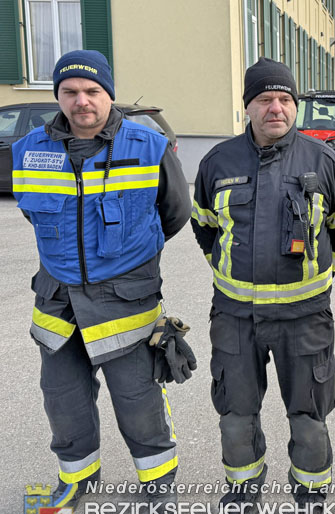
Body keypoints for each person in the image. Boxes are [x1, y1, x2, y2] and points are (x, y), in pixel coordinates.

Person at [11, 50, 191, 511]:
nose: (81, 101)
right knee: (63, 402)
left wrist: (126, 256)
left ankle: (157, 488)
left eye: (92, 91)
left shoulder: (148, 147)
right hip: (58, 303)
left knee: (139, 402)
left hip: (125, 301)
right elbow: (33, 213)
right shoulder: (29, 149)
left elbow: (174, 214)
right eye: (69, 92)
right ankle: (75, 483)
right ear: (58, 97)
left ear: (109, 95)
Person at [191, 57, 335, 511]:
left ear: (295, 106)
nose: (276, 108)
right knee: (236, 417)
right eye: (264, 99)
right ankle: (243, 493)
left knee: (308, 418)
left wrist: (322, 275)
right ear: (247, 106)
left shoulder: (325, 161)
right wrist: (227, 272)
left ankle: (310, 496)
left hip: (304, 320)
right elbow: (204, 225)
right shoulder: (217, 162)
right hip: (234, 318)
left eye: (285, 99)